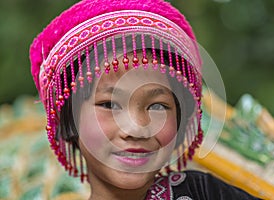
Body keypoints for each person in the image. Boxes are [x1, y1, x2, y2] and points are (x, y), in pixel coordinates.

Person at [29, 0, 260, 199]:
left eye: (157, 106)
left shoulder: (202, 193)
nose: (137, 127)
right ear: (69, 121)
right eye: (109, 104)